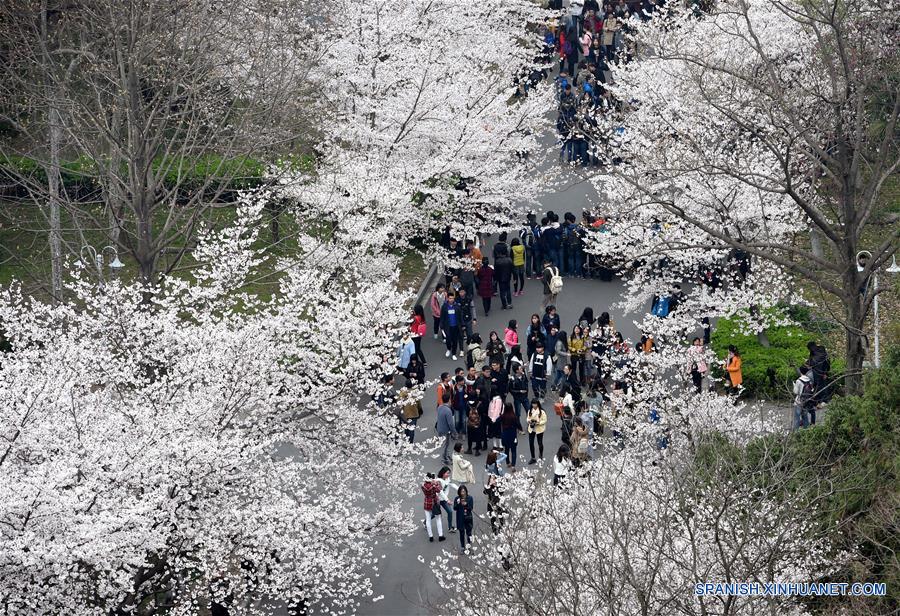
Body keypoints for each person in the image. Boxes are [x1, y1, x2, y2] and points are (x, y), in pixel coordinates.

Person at [422, 473, 446, 542]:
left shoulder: (423, 485)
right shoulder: (433, 486)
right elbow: (439, 490)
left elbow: (426, 488)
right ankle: (440, 535)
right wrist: (436, 483)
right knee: (438, 519)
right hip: (434, 502)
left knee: (428, 520)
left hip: (427, 502)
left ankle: (431, 536)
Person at [500, 402, 523, 470]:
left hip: (505, 434)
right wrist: (520, 429)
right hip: (512, 435)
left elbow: (498, 420)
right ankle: (513, 465)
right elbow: (518, 425)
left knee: (506, 449)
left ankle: (508, 462)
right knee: (513, 450)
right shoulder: (514, 416)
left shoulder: (503, 416)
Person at [440, 293, 463, 361]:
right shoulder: (444, 307)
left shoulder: (457, 306)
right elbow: (442, 316)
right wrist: (441, 325)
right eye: (450, 298)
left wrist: (462, 324)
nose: (451, 300)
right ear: (447, 298)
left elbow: (460, 316)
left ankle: (453, 354)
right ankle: (448, 349)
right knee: (448, 339)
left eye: (452, 298)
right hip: (448, 327)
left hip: (456, 326)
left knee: (455, 340)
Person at [792, 365, 815, 430]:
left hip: (799, 401)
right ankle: (805, 432)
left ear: (800, 371)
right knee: (805, 417)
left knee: (797, 418)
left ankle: (795, 433)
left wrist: (794, 385)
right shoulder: (809, 380)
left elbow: (796, 392)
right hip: (806, 401)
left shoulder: (798, 381)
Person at [436, 466, 458, 533]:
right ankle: (426, 522)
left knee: (450, 512)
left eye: (449, 473)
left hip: (444, 500)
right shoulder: (438, 481)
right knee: (435, 514)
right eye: (447, 473)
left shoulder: (447, 479)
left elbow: (452, 484)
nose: (448, 475)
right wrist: (447, 500)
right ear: (443, 473)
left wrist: (460, 489)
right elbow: (441, 492)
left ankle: (450, 527)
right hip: (438, 500)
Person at [453, 485, 475, 551]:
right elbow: (454, 508)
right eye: (461, 491)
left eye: (464, 491)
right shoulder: (457, 498)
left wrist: (466, 504)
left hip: (468, 517)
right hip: (460, 518)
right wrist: (458, 503)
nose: (463, 493)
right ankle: (462, 546)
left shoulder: (470, 498)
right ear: (459, 492)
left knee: (469, 533)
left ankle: (469, 546)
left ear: (466, 491)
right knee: (461, 533)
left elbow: (471, 508)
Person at [526, 399, 548, 464]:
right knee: (531, 443)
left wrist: (538, 423)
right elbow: (527, 418)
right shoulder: (530, 410)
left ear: (538, 404)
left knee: (540, 443)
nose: (534, 405)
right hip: (532, 428)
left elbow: (545, 420)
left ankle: (540, 456)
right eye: (533, 404)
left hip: (539, 429)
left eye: (535, 404)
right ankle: (533, 457)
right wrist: (529, 421)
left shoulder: (542, 411)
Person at [436, 391, 455, 464]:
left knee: (445, 445)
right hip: (446, 430)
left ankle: (446, 457)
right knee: (446, 445)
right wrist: (454, 432)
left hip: (440, 428)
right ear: (449, 400)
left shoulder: (440, 407)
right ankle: (445, 459)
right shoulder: (448, 410)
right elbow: (450, 423)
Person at [494, 244, 514, 310]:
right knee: (508, 290)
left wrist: (495, 279)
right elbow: (512, 269)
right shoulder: (509, 260)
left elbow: (496, 271)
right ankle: (509, 303)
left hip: (500, 278)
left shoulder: (497, 261)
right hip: (508, 277)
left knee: (502, 291)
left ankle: (504, 305)